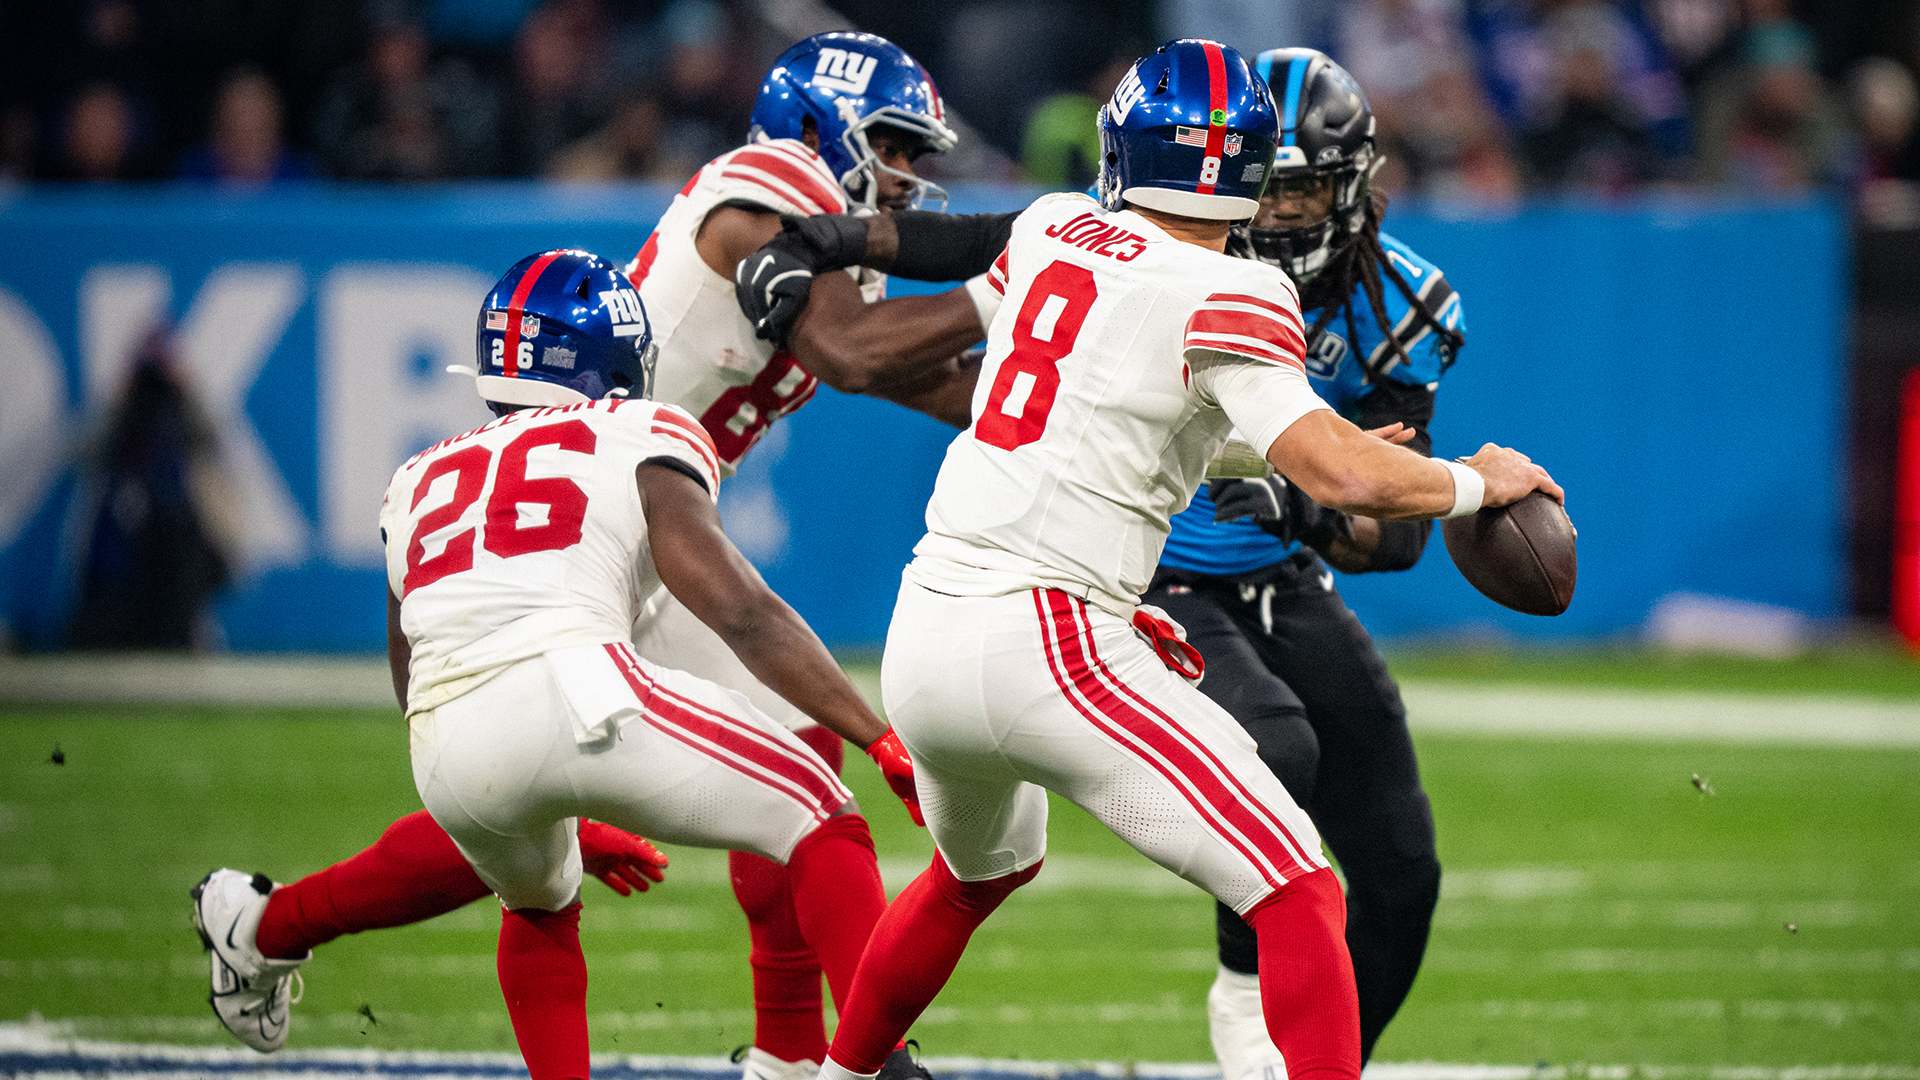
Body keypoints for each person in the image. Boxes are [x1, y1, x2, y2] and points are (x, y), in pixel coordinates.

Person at [195, 32, 981, 1080]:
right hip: (612, 513)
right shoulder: (767, 190)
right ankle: (848, 1062)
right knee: (780, 776)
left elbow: (935, 385)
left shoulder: (814, 245)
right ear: (818, 126)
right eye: (893, 142)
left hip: (630, 525)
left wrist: (1076, 390)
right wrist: (1011, 279)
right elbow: (855, 353)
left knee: (600, 791)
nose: (910, 173)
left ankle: (796, 1055)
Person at [795, 39, 1560, 1080]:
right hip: (1049, 639)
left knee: (971, 878)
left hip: (925, 632)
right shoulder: (1236, 288)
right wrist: (1479, 480)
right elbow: (1334, 475)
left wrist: (1292, 453)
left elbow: (1127, 402)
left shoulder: (1053, 228)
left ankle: (838, 1075)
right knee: (1299, 889)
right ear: (1249, 166)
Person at [1146, 49, 1463, 1076]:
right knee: (1276, 749)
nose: (1283, 214)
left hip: (1285, 577)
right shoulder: (1158, 270)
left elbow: (1398, 539)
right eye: (1265, 185)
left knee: (1403, 876)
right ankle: (1245, 996)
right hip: (1153, 572)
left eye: (1307, 185)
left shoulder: (1392, 305)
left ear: (1356, 181)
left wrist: (1310, 516)